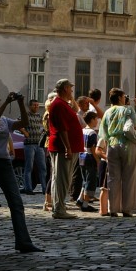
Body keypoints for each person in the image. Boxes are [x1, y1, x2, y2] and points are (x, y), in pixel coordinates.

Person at [0, 90, 41, 254]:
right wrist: (6, 103)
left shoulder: (4, 120)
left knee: (16, 202)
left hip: (5, 163)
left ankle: (23, 242)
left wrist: (20, 103)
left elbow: (24, 122)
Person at [97, 88, 136, 217]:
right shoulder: (128, 110)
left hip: (112, 145)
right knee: (129, 177)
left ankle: (113, 209)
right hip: (127, 145)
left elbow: (103, 132)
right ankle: (127, 208)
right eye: (124, 96)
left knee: (113, 178)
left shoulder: (107, 112)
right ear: (120, 98)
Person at [47, 79, 84, 220]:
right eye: (70, 88)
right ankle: (59, 209)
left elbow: (75, 110)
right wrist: (68, 147)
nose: (72, 91)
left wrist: (71, 99)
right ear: (65, 89)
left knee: (60, 179)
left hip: (66, 147)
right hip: (63, 148)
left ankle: (59, 207)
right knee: (62, 179)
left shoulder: (63, 104)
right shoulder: (58, 105)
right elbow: (62, 128)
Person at [21, 98, 48, 197]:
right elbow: (18, 124)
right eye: (34, 105)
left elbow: (43, 127)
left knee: (42, 167)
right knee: (29, 167)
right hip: (29, 144)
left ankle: (45, 189)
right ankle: (28, 188)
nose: (36, 107)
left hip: (39, 144)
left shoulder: (39, 116)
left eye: (37, 105)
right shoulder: (26, 115)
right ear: (30, 106)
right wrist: (25, 132)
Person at [76, 111, 100, 212]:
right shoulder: (92, 133)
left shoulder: (82, 130)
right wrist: (97, 160)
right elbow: (93, 148)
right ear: (91, 120)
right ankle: (85, 204)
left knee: (85, 180)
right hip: (90, 157)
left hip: (81, 156)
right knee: (90, 181)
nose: (97, 121)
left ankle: (80, 199)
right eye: (95, 119)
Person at [40, 91, 57, 211]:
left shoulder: (48, 113)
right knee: (52, 175)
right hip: (50, 144)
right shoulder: (50, 114)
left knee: (52, 174)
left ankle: (51, 201)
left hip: (49, 144)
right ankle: (48, 202)